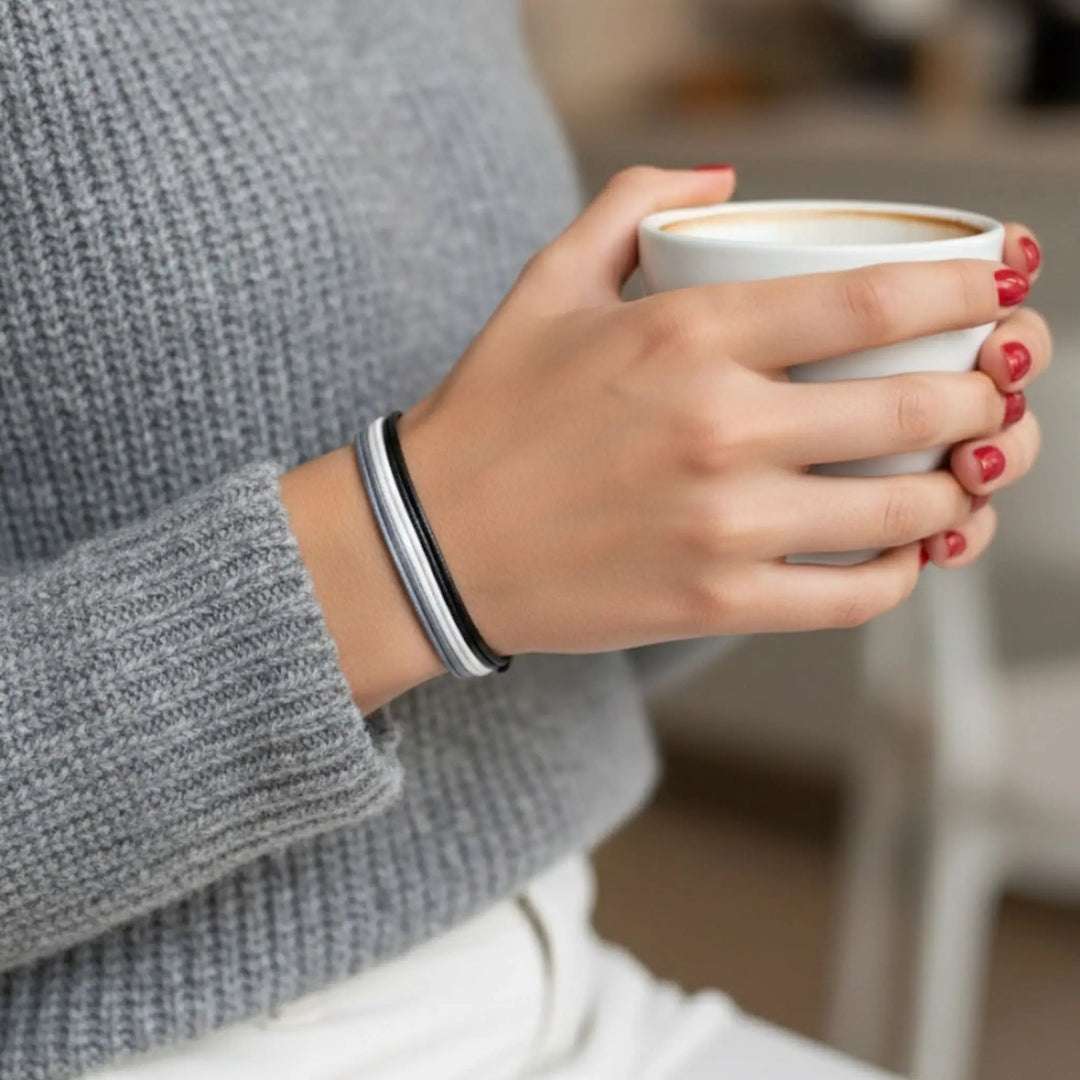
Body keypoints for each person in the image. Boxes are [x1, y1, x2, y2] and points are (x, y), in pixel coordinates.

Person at [0, 3, 1049, 1078]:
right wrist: (412, 553)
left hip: (565, 988)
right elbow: (453, 551)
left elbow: (513, 600)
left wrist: (737, 501)